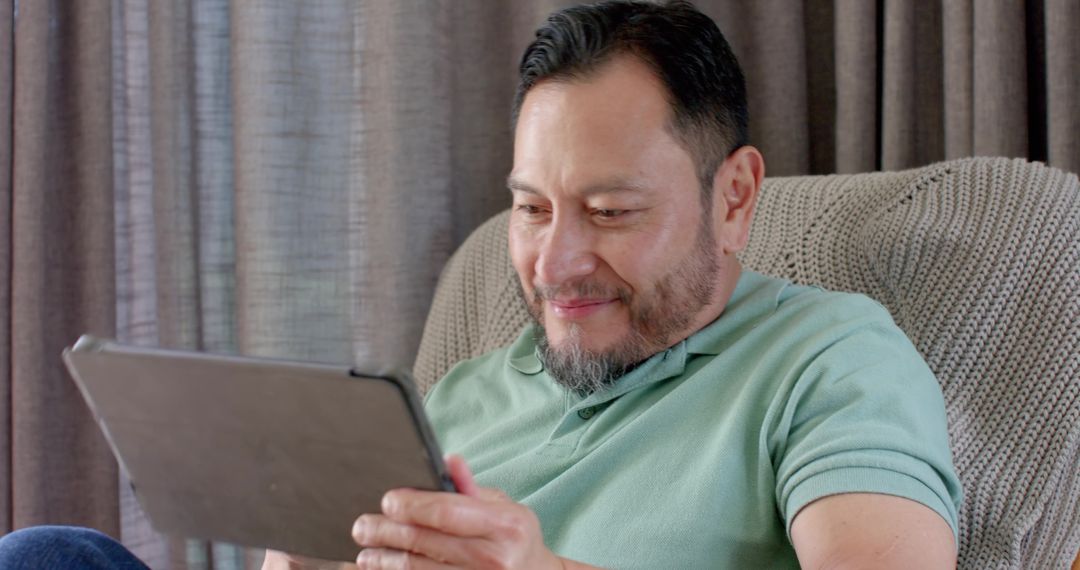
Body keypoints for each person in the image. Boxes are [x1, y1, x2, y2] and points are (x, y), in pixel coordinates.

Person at [0, 1, 961, 569]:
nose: (554, 265)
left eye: (612, 212)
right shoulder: (462, 394)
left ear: (736, 195)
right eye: (533, 209)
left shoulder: (831, 359)